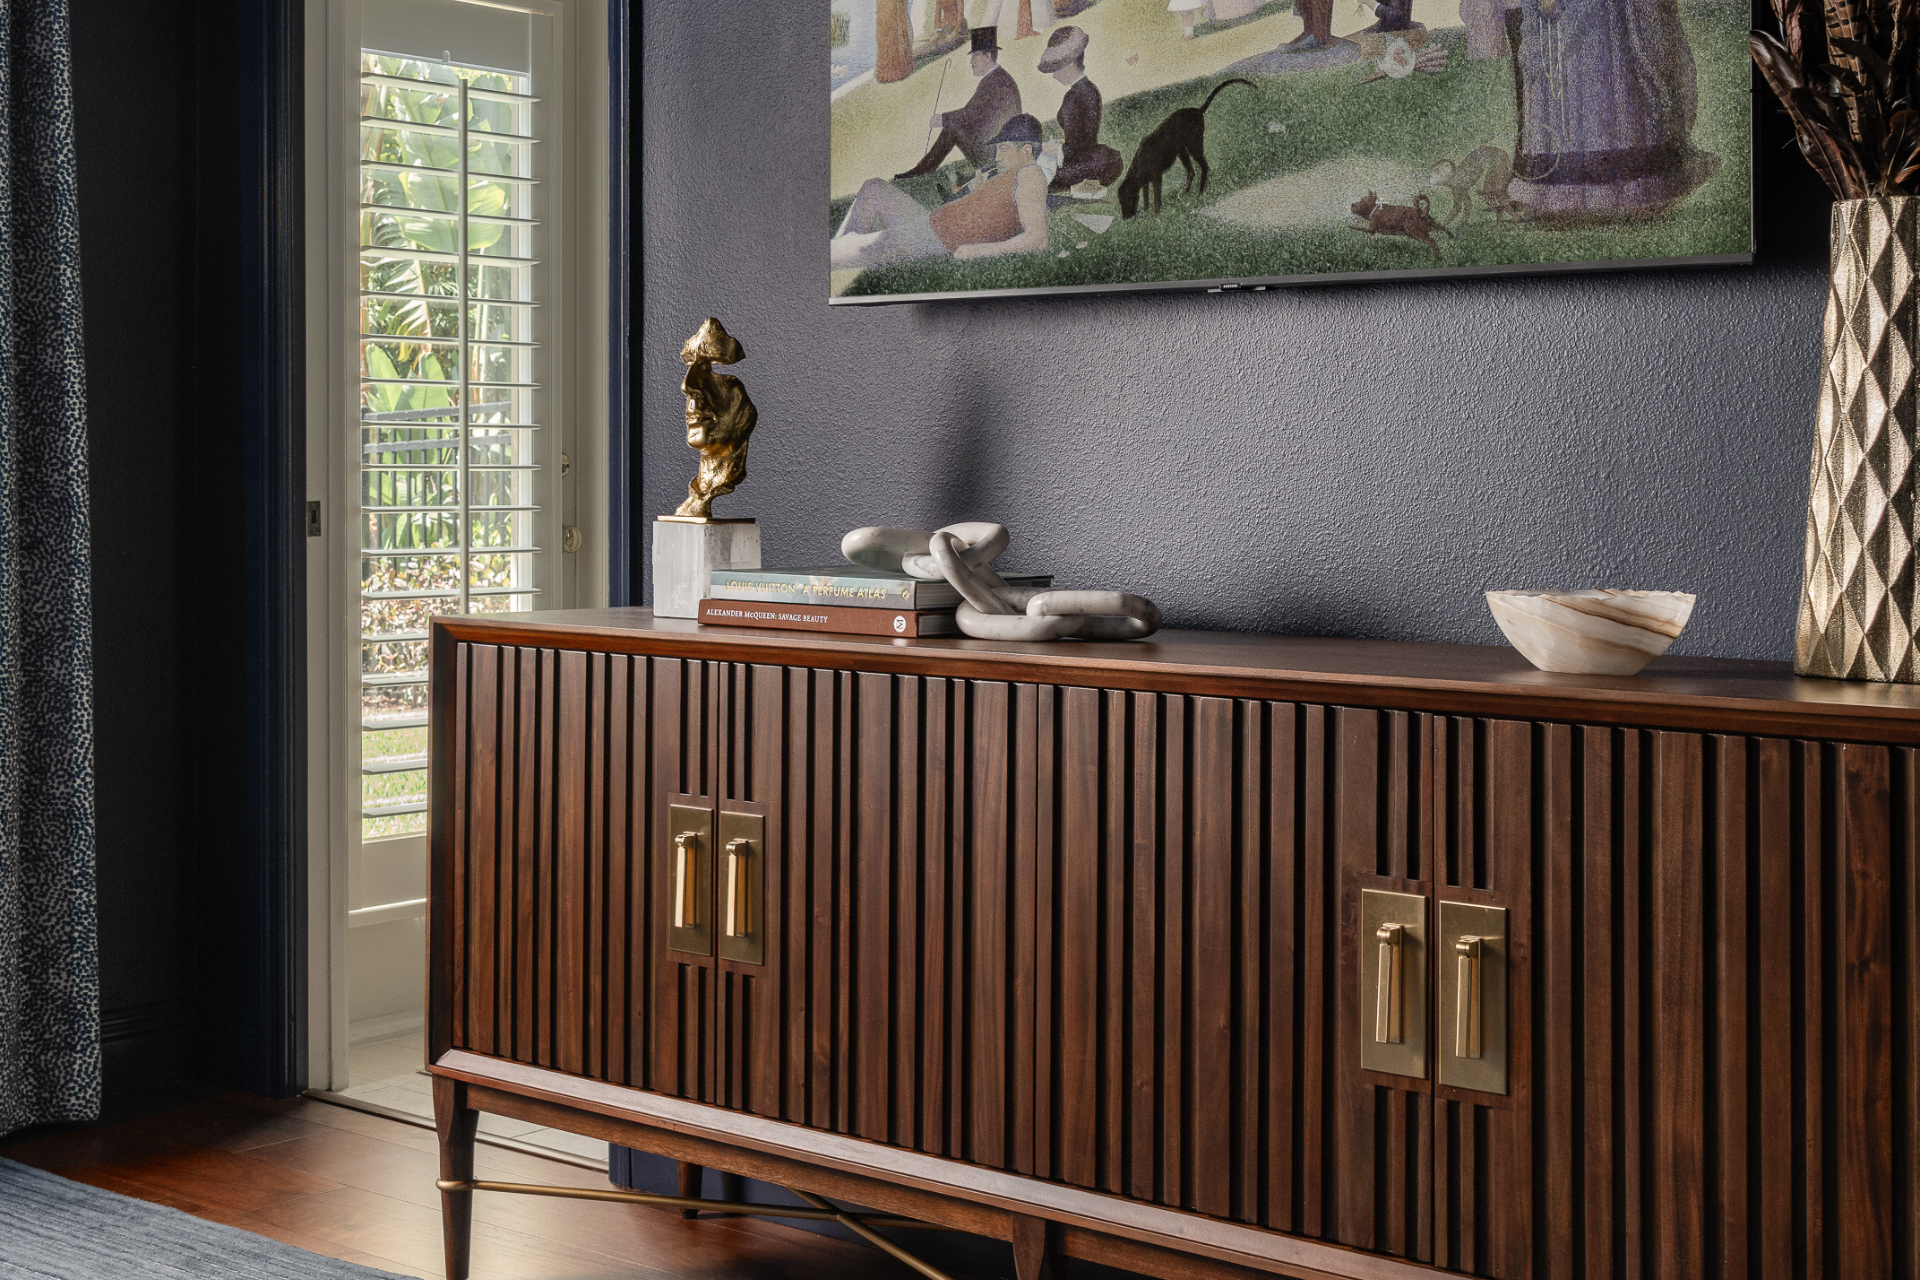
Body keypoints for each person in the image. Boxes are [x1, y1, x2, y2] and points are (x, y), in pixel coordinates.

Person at [834, 115, 1051, 268]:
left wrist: (977, 251)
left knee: (848, 249)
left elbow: (1038, 239)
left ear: (1027, 151)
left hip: (937, 238)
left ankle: (844, 249)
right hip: (932, 223)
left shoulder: (1031, 174)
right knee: (873, 187)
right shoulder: (1013, 175)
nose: (997, 157)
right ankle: (845, 247)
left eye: (1003, 149)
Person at [895, 27, 1022, 180]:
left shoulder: (996, 81)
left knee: (953, 128)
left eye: (975, 56)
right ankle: (925, 167)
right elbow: (975, 115)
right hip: (999, 147)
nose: (971, 61)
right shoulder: (996, 78)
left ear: (988, 56)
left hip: (1000, 153)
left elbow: (970, 114)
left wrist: (942, 119)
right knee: (955, 126)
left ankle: (921, 171)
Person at [1038, 25, 1123, 191]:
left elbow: (1077, 147)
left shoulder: (1075, 96)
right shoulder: (1089, 89)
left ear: (1070, 64)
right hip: (1085, 157)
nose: (1054, 75)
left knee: (1039, 172)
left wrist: (1051, 149)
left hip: (1080, 162)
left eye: (1056, 68)